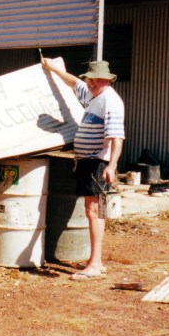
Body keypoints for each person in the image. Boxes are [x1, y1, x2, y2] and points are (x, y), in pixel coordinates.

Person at [41, 58, 125, 280]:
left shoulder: (110, 101)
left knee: (93, 212)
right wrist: (55, 68)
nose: (91, 82)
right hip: (87, 161)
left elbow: (117, 137)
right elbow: (73, 83)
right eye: (90, 78)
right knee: (93, 211)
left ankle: (95, 264)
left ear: (106, 80)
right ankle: (93, 260)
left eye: (96, 79)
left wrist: (112, 165)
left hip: (97, 161)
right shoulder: (92, 94)